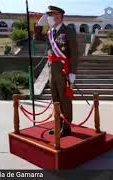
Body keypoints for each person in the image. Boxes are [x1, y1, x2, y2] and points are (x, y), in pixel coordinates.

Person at [36, 6, 78, 137]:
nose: (51, 18)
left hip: (63, 71)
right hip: (51, 72)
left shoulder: (68, 31)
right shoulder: (50, 32)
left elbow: (74, 53)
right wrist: (39, 24)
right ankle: (58, 124)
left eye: (53, 15)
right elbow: (36, 38)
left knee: (65, 100)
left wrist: (72, 73)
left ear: (60, 17)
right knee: (55, 99)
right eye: (49, 15)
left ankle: (66, 128)